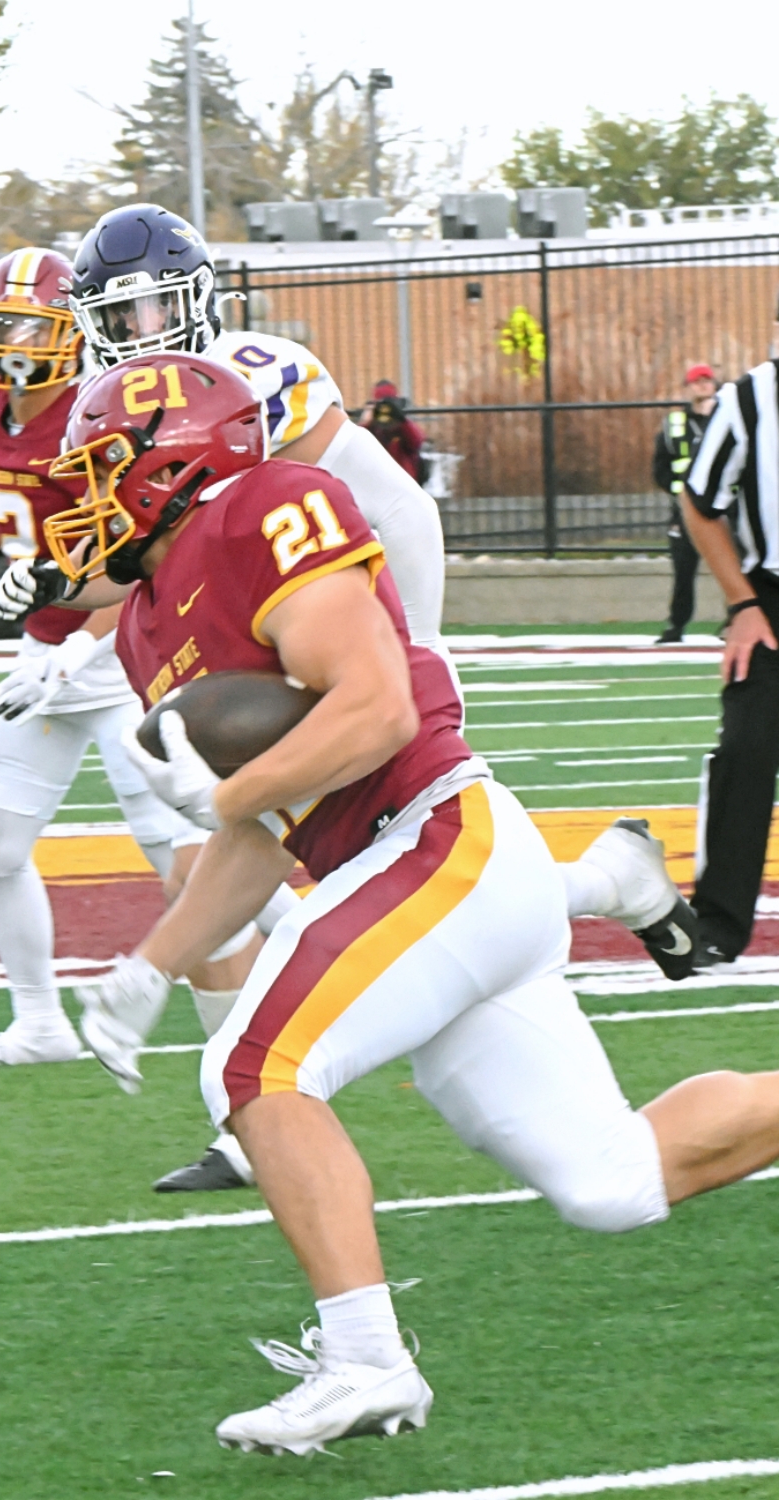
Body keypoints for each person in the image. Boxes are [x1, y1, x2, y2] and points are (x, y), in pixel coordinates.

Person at [41, 351, 779, 1456]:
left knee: (254, 1069)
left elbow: (377, 710)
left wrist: (230, 789)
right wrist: (149, 969)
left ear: (171, 461)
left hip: (436, 835)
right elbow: (262, 828)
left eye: (102, 468)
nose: (80, 500)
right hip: (422, 867)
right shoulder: (149, 619)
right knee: (612, 1184)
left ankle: (365, 1362)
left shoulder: (265, 505)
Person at [1, 203, 700, 1189]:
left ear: (199, 294)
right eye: (118, 316)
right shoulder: (113, 406)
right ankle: (605, 881)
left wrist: (406, 643)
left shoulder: (259, 371)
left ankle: (261, 1101)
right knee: (306, 849)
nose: (141, 331)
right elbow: (165, 537)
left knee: (348, 836)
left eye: (157, 304)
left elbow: (385, 506)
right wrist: (61, 596)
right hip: (252, 626)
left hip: (334, 619)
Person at [0, 247, 194, 1067]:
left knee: (182, 855)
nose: (9, 338)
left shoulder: (102, 407)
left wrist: (78, 652)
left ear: (65, 331)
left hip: (126, 659)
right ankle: (40, 1023)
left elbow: (134, 552)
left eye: (25, 323)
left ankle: (293, 987)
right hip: (43, 649)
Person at [680, 336, 779, 968]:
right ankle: (716, 923)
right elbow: (699, 501)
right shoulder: (751, 397)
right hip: (771, 597)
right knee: (747, 749)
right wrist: (743, 606)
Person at [652, 364, 718, 643]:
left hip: (723, 508)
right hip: (685, 509)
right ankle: (676, 624)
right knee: (683, 570)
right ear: (688, 387)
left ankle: (735, 620)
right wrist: (680, 493)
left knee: (739, 568)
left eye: (707, 381)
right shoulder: (675, 424)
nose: (702, 386)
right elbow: (661, 467)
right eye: (697, 382)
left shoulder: (728, 418)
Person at [357, 378, 428, 485]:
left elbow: (417, 442)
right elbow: (357, 448)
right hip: (377, 482)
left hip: (404, 482)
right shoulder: (370, 428)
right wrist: (366, 423)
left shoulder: (402, 425)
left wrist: (401, 419)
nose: (385, 412)